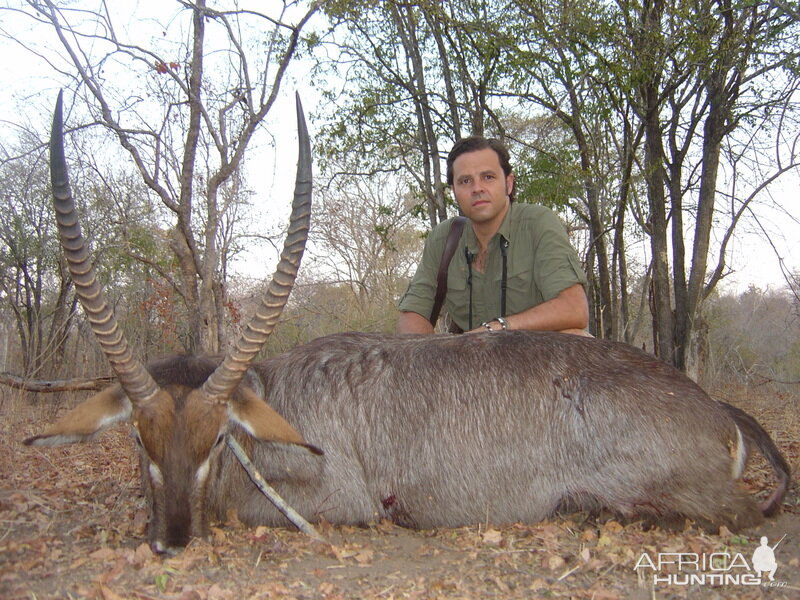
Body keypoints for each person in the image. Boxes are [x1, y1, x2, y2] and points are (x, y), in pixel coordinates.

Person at [397, 136, 590, 335]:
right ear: (454, 191)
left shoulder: (538, 223)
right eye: (465, 181)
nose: (477, 188)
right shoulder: (444, 238)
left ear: (508, 183)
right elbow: (413, 313)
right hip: (470, 360)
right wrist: (432, 358)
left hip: (540, 356)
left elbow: (575, 309)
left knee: (576, 337)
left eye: (488, 177)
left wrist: (493, 330)